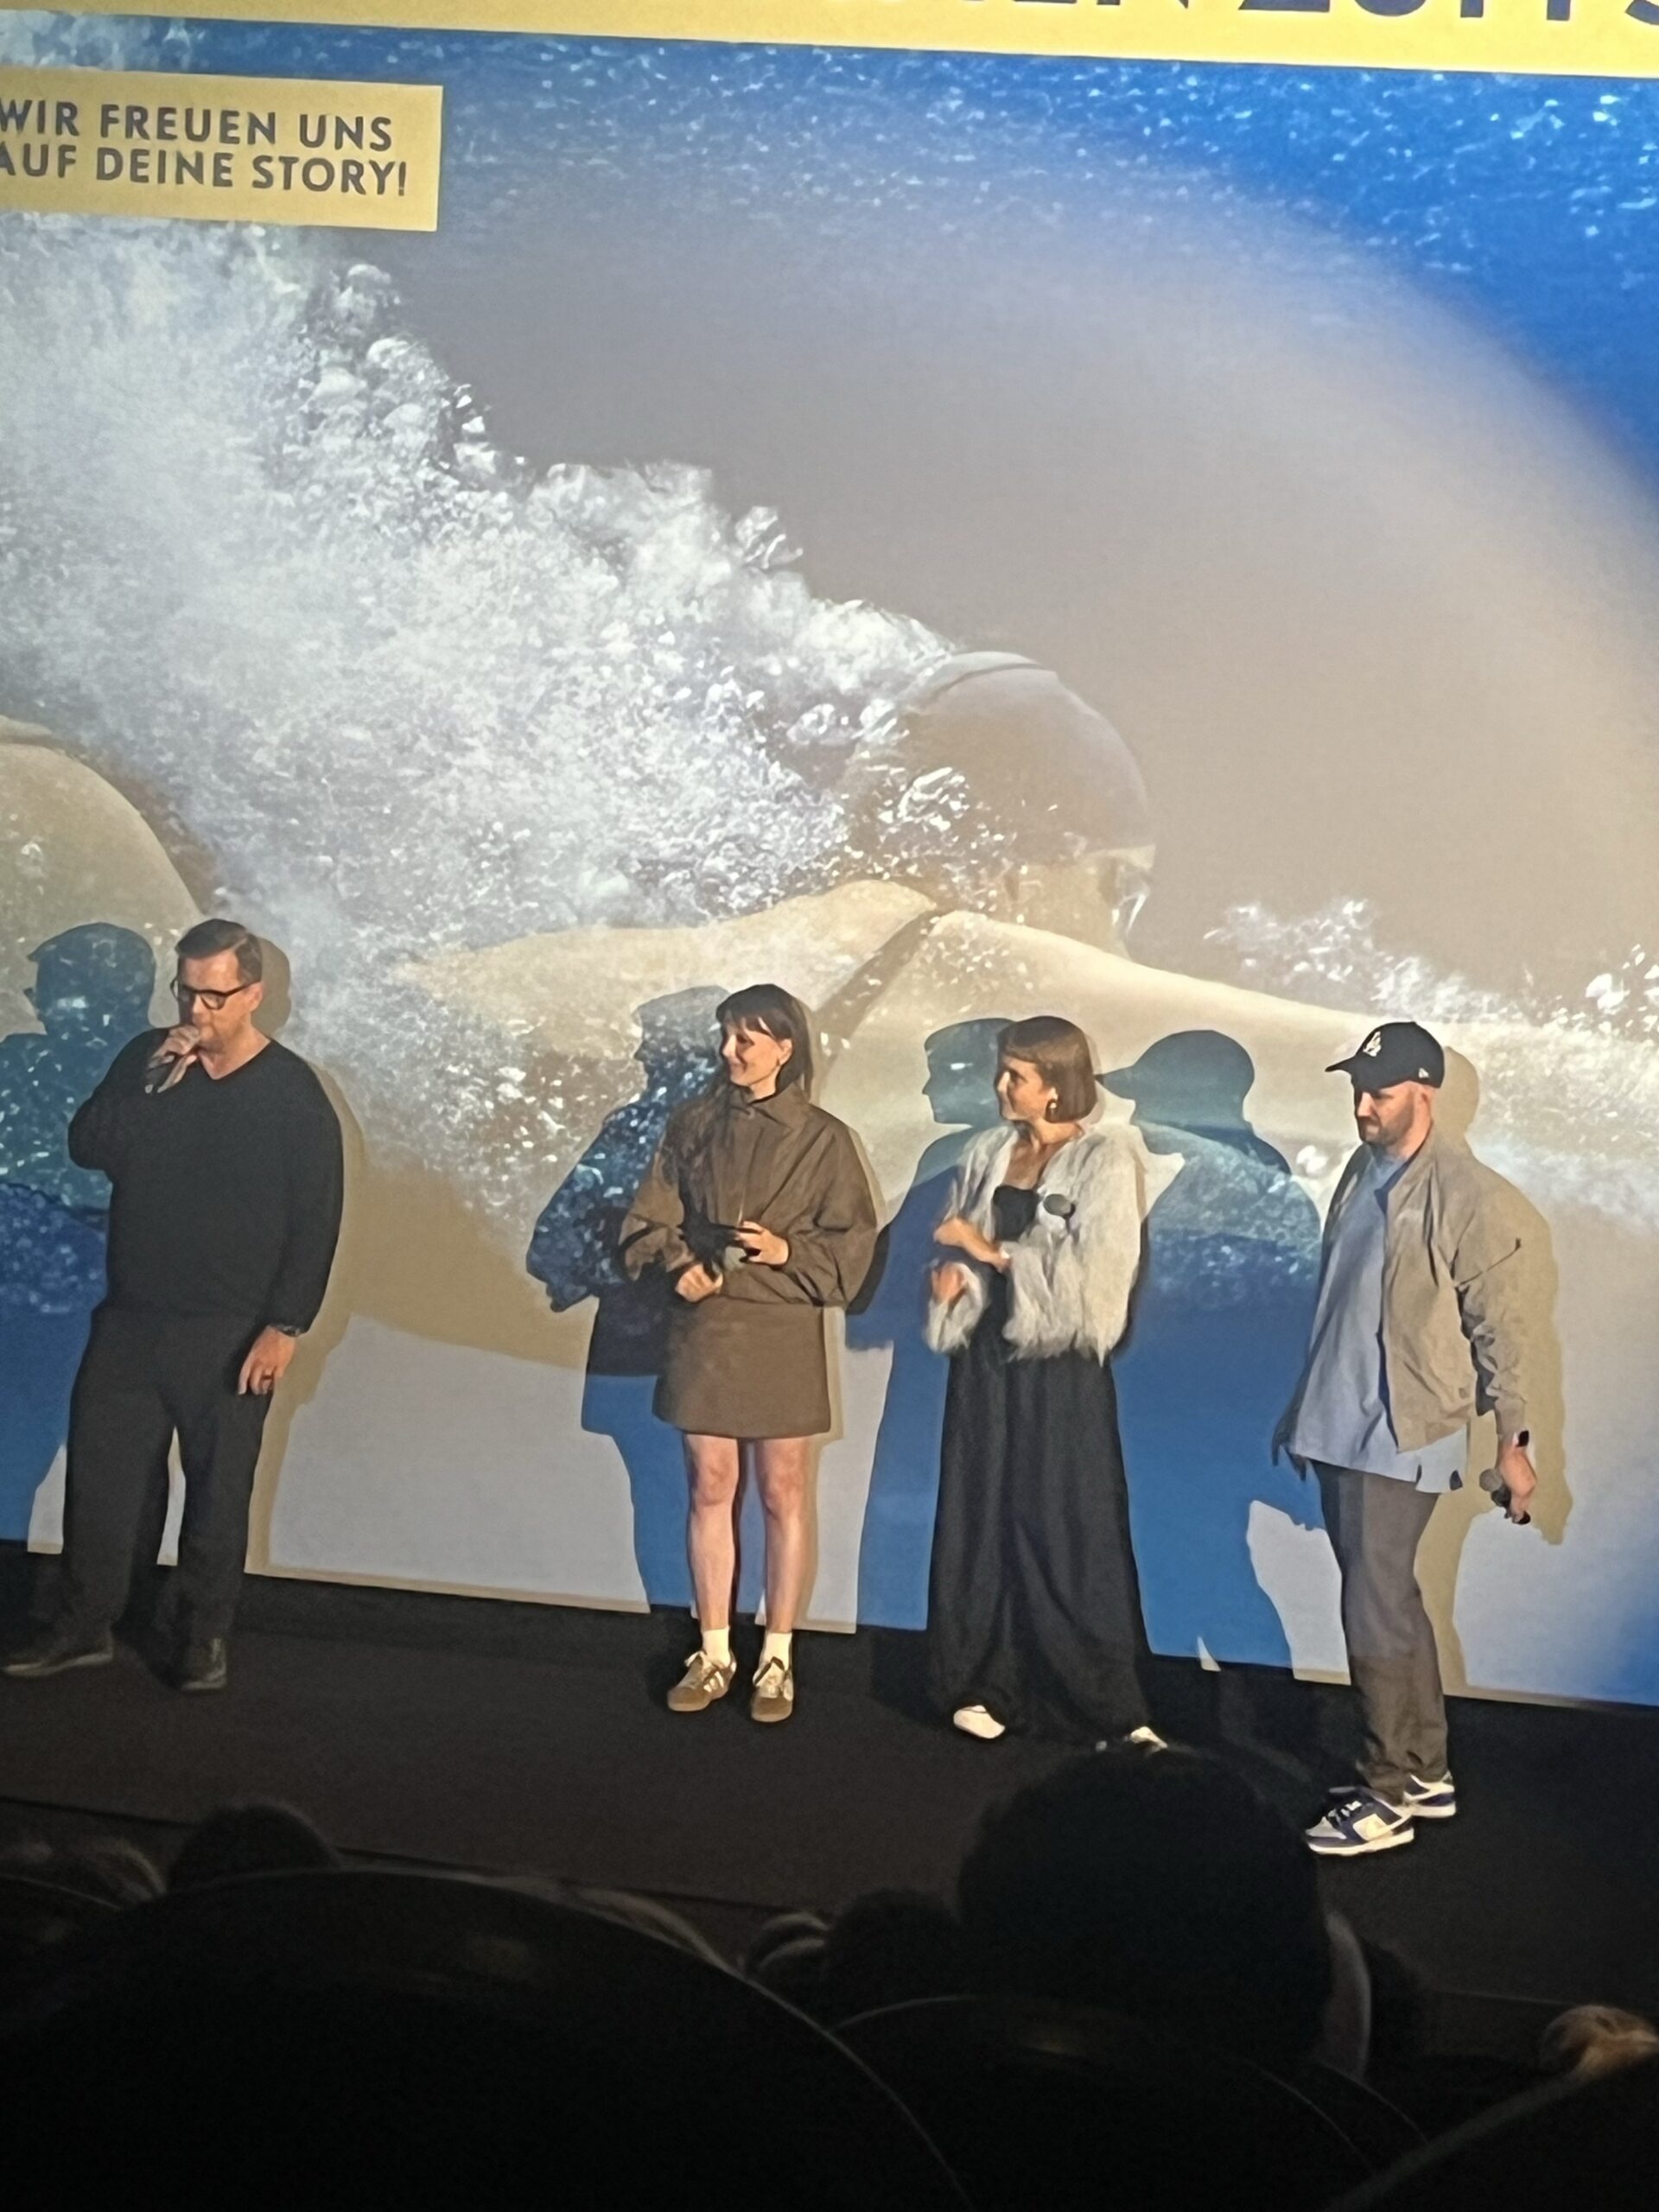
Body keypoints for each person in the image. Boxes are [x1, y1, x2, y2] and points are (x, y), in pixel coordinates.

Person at [2, 918, 344, 1694]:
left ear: (253, 994)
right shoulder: (149, 1060)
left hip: (231, 1327)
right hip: (132, 1313)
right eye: (186, 992)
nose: (197, 1011)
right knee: (103, 1482)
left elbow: (316, 1217)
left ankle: (200, 1636)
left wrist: (285, 1326)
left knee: (217, 1489)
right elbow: (90, 1146)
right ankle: (84, 1625)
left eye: (214, 996)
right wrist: (151, 1078)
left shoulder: (291, 1093)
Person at [1275, 1020, 1535, 1857]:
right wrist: (1306, 1406)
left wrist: (1514, 1442)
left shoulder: (1469, 1194)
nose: (1362, 1106)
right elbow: (1341, 1303)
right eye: (1357, 1090)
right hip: (1341, 1421)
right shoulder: (1363, 1169)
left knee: (1374, 1604)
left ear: (1424, 1093)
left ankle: (1385, 1791)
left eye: (1378, 1093)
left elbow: (1503, 1331)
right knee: (1390, 1596)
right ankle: (1424, 1771)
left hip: (1401, 1429)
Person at [620, 983, 876, 1723]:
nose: (730, 1051)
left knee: (783, 1490)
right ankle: (714, 1651)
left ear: (784, 1048)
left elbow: (852, 1247)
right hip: (708, 1328)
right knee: (710, 1484)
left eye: (746, 1039)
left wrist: (787, 1250)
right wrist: (678, 1265)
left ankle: (778, 1656)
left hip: (782, 1327)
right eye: (726, 1037)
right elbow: (647, 1220)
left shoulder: (825, 1139)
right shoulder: (693, 1124)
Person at [923, 1014, 1156, 1745]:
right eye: (1002, 1071)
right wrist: (954, 1282)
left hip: (1061, 1371)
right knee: (982, 1512)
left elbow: (1102, 1285)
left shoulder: (1105, 1161)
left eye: (1016, 1075)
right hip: (985, 1364)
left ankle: (1106, 1705)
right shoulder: (985, 1152)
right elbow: (961, 1248)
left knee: (1067, 1521)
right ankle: (986, 1683)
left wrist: (993, 1257)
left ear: (1055, 1085)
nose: (1000, 1086)